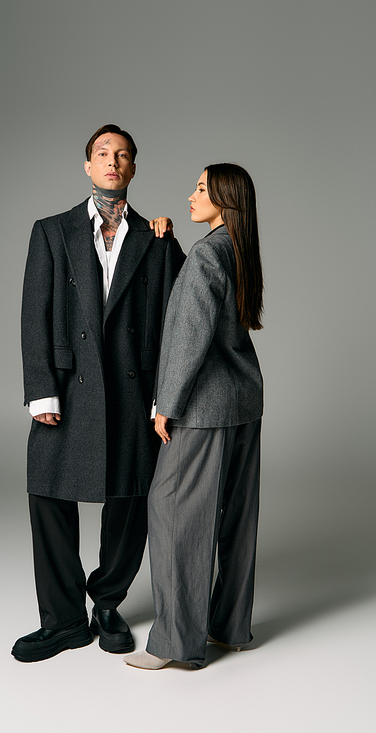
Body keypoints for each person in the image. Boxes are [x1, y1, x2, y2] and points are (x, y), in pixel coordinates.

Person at [12, 125, 184, 662]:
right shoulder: (52, 231)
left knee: (130, 499)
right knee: (48, 494)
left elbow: (176, 316)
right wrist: (42, 390)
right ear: (88, 166)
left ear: (133, 169)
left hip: (133, 391)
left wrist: (170, 240)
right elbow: (34, 315)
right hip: (67, 386)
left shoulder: (154, 239)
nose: (113, 162)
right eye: (103, 154)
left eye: (124, 155)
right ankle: (63, 620)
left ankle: (107, 603)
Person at [124, 163, 264, 670]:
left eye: (201, 188)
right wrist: (174, 244)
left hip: (202, 407)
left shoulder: (210, 253)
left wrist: (167, 405)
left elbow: (189, 333)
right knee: (236, 515)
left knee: (173, 511)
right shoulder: (236, 248)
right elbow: (208, 300)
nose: (190, 194)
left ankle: (176, 644)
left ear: (223, 197)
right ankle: (229, 629)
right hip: (244, 402)